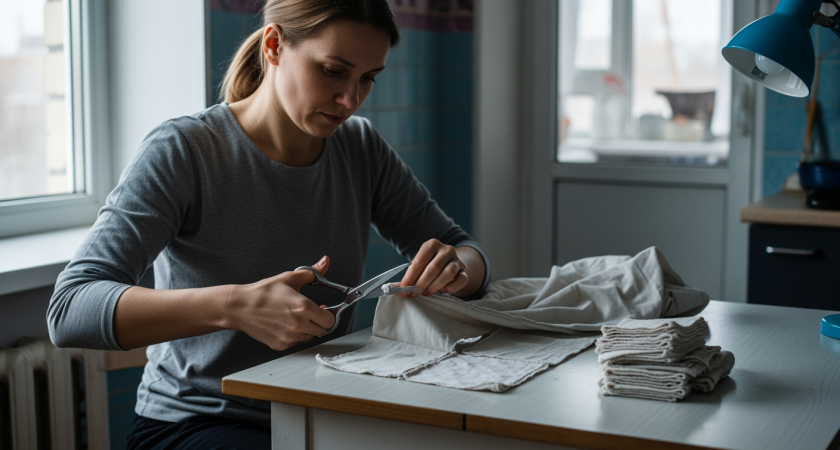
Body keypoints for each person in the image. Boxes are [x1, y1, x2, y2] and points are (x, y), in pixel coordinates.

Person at [47, 0, 491, 448]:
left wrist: (456, 269)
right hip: (198, 423)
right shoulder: (184, 150)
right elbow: (70, 309)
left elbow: (466, 251)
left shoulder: (361, 147)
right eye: (333, 71)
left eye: (367, 79)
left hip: (325, 411)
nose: (350, 100)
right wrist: (235, 306)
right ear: (274, 44)